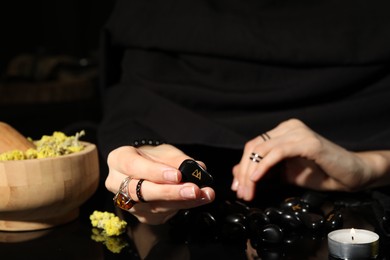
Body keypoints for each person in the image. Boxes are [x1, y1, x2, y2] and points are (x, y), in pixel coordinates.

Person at [97, 0, 390, 225]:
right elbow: (129, 102)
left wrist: (375, 166)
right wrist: (133, 168)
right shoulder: (157, 20)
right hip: (181, 219)